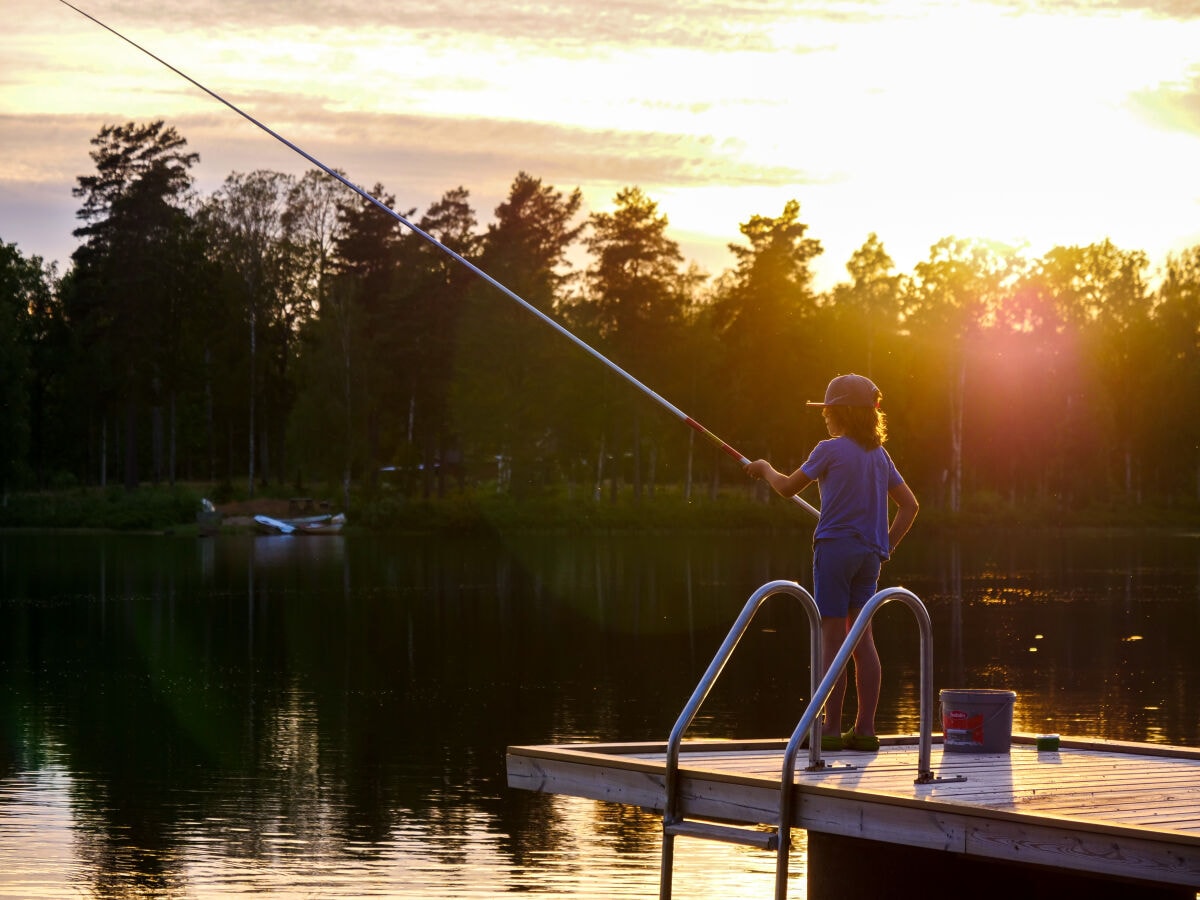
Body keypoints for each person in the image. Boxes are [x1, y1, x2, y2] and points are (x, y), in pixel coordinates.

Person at [747, 373, 918, 752]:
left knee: (832, 640)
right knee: (863, 642)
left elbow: (788, 488)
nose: (823, 415)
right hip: (869, 556)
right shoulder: (880, 455)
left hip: (835, 552)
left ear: (841, 412)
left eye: (827, 409)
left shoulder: (828, 449)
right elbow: (910, 506)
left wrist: (763, 468)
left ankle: (831, 728)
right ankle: (866, 729)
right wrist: (883, 546)